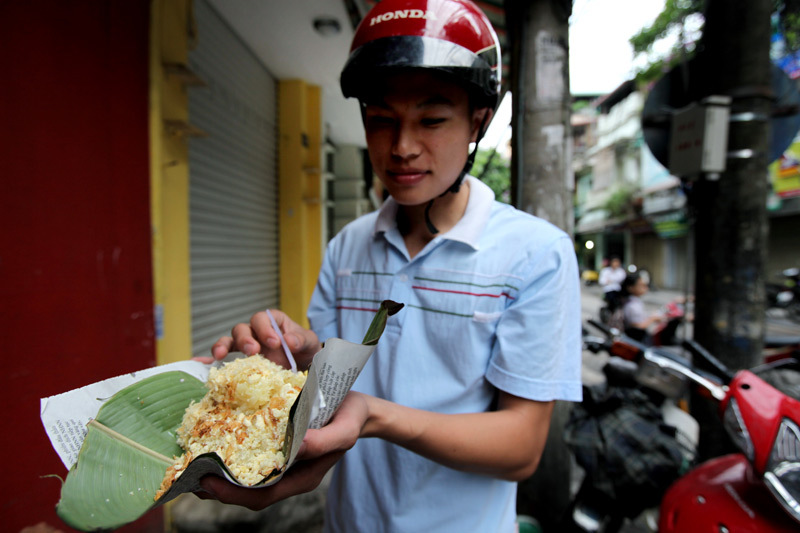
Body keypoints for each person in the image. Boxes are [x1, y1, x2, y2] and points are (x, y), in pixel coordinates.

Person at [197, 0, 582, 530]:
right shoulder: (348, 247)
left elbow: (521, 447)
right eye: (382, 120)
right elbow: (326, 388)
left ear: (478, 121)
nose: (402, 147)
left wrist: (375, 416)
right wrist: (294, 352)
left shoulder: (535, 253)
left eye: (431, 119)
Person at [621, 272, 665, 343]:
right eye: (641, 285)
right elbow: (637, 326)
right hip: (636, 340)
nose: (645, 288)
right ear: (631, 288)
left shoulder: (635, 301)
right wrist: (652, 318)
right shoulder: (631, 305)